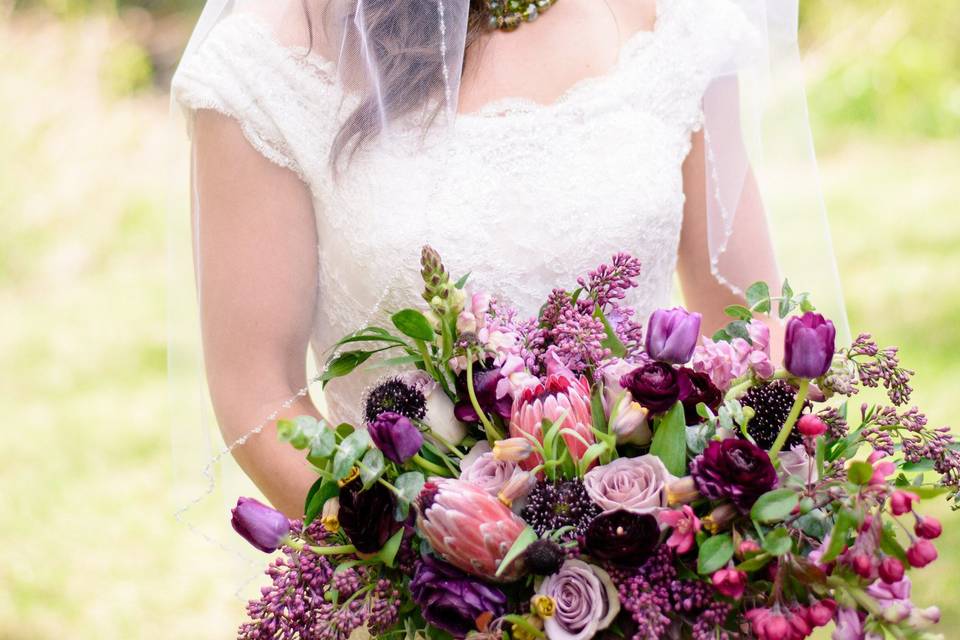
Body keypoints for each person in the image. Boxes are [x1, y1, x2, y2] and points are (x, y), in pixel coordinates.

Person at [171, 0, 841, 517]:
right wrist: (444, 568)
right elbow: (259, 396)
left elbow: (747, 325)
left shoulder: (675, 20)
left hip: (665, 561)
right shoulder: (270, 63)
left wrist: (689, 537)